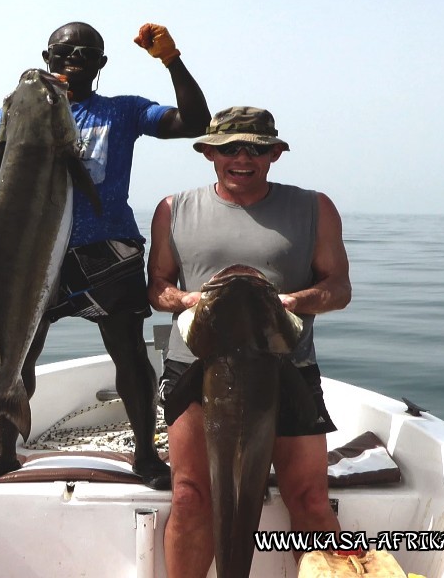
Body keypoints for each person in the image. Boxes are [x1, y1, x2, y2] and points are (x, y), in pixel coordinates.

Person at [0, 21, 210, 490]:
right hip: (32, 251)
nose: (73, 57)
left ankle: (145, 456)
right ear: (47, 56)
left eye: (85, 52)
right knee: (18, 355)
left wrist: (171, 60)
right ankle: (6, 455)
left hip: (106, 254)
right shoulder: (15, 108)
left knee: (130, 354)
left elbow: (195, 123)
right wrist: (15, 127)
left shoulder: (122, 111)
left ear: (101, 64)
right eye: (63, 50)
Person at [147, 106, 352, 574]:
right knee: (190, 495)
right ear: (209, 153)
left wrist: (295, 301)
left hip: (286, 366)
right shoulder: (172, 209)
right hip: (196, 366)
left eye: (256, 148)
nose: (243, 157)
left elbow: (338, 288)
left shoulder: (312, 207)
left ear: (275, 154)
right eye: (230, 147)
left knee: (311, 500)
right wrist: (184, 298)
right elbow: (157, 287)